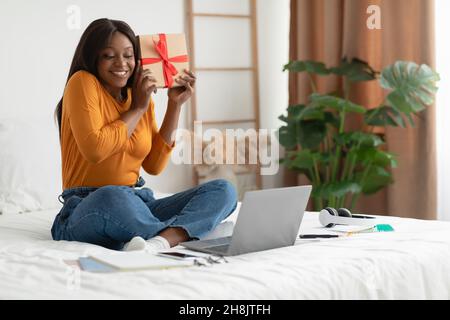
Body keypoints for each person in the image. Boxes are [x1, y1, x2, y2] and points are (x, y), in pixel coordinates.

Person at [51, 18, 237, 252]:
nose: (121, 63)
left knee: (223, 190)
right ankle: (192, 232)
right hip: (88, 206)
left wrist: (174, 105)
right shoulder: (82, 83)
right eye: (109, 55)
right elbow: (95, 150)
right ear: (93, 59)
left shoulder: (139, 96)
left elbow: (154, 165)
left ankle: (161, 241)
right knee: (113, 196)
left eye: (128, 55)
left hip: (137, 203)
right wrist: (137, 108)